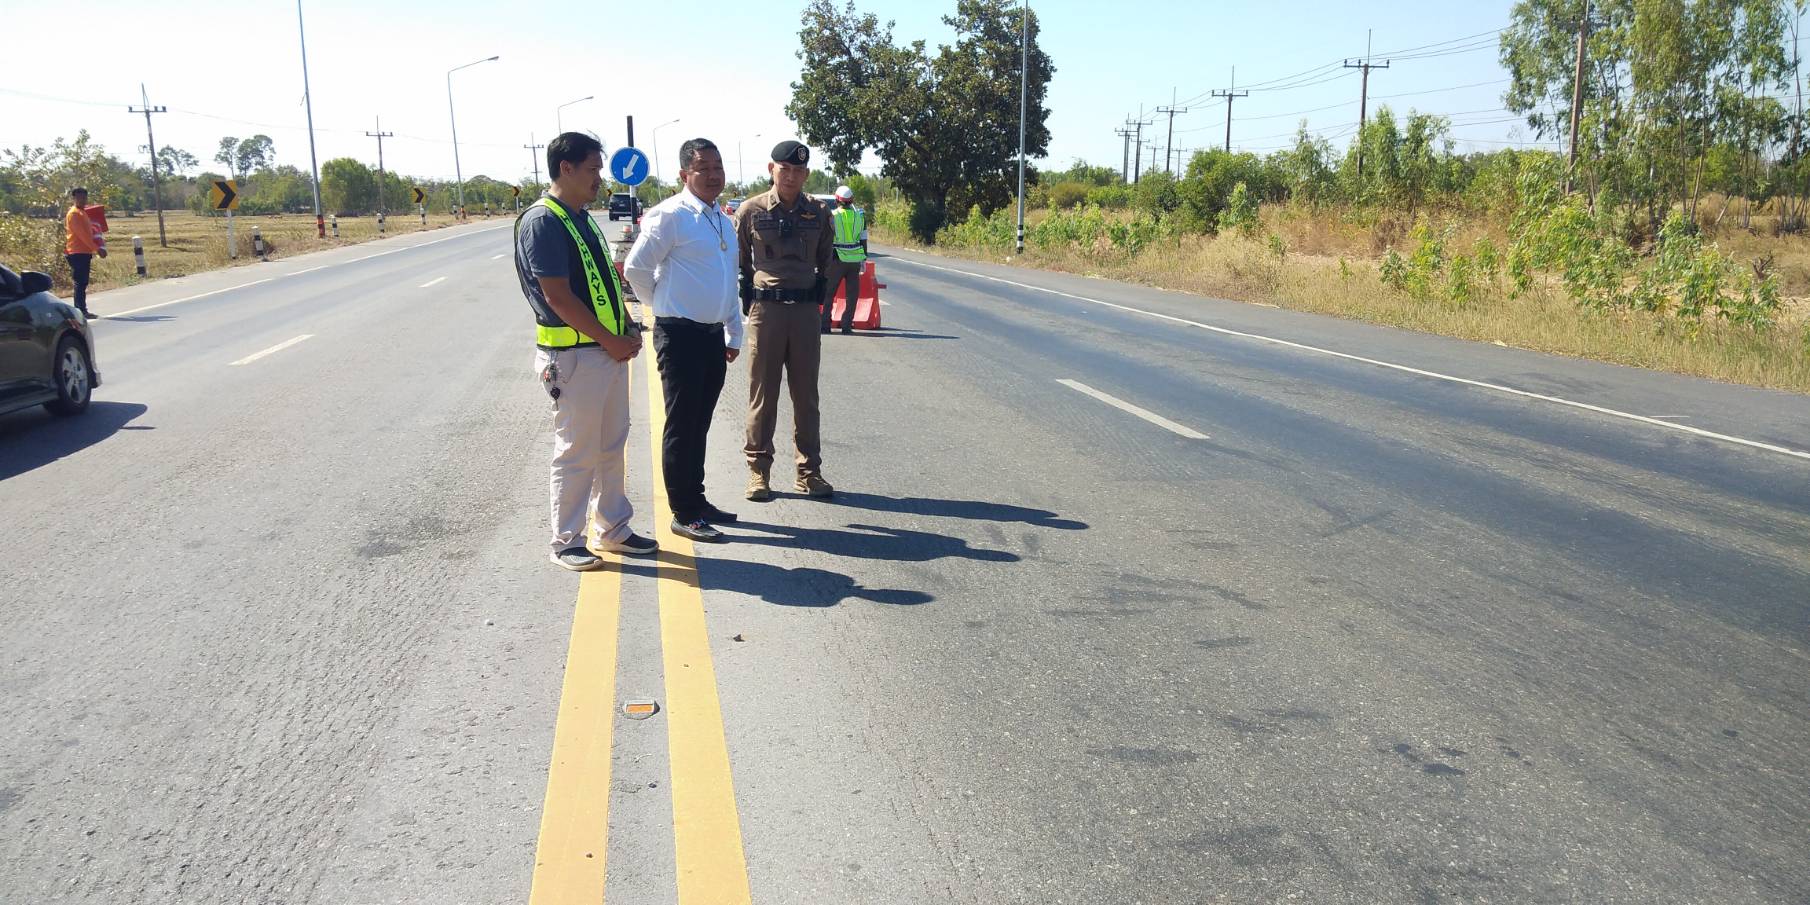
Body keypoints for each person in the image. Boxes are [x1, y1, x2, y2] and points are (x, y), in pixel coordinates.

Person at [514, 132, 658, 571]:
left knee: (611, 446)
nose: (600, 179)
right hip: (574, 358)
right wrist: (609, 339)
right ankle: (566, 541)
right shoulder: (544, 220)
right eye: (593, 169)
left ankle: (612, 528)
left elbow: (604, 283)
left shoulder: (580, 217)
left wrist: (626, 326)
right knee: (577, 451)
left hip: (604, 353)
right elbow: (557, 296)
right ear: (566, 168)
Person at [623, 138, 743, 543]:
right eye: (703, 168)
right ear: (684, 174)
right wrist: (662, 304)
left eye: (718, 167)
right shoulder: (671, 215)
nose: (713, 175)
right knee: (682, 424)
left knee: (700, 423)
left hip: (711, 336)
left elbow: (727, 281)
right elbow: (636, 269)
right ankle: (684, 512)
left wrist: (733, 330)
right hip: (679, 335)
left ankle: (698, 499)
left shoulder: (721, 218)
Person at [735, 140, 837, 502]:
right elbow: (739, 264)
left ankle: (809, 472)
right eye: (784, 169)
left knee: (806, 396)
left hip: (805, 312)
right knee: (763, 394)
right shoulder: (751, 210)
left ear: (806, 174)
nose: (791, 176)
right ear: (771, 170)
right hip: (767, 312)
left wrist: (819, 303)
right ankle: (758, 472)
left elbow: (826, 262)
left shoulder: (820, 212)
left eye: (798, 171)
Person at [824, 185, 868, 334]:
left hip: (837, 259)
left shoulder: (832, 216)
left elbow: (826, 239)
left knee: (829, 293)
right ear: (851, 200)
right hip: (855, 260)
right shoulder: (860, 216)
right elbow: (863, 239)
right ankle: (846, 326)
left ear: (837, 200)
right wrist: (864, 258)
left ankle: (825, 325)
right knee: (852, 296)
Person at [63, 188, 105, 317]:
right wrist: (97, 249)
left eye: (84, 197)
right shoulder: (74, 214)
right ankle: (80, 311)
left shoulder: (82, 212)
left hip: (83, 252)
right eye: (79, 198)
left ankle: (81, 310)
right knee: (80, 282)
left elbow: (89, 232)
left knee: (82, 282)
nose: (82, 200)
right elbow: (82, 235)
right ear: (73, 198)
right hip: (77, 252)